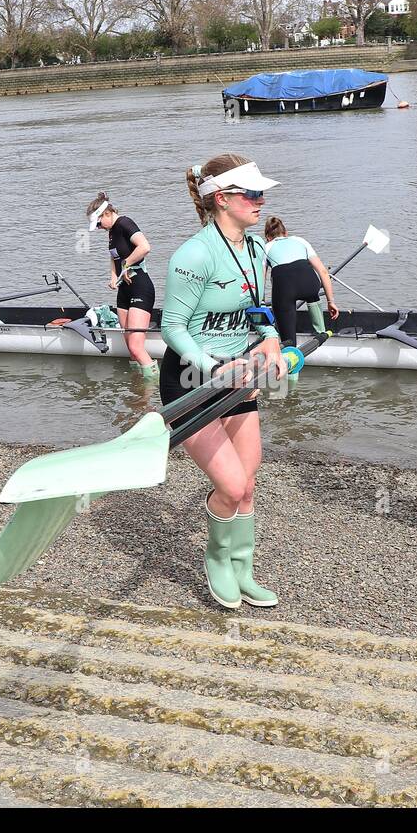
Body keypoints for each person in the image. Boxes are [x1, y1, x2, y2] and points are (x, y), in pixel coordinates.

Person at [162, 155, 286, 609]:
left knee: (248, 483)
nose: (261, 200)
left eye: (260, 192)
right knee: (231, 486)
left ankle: (244, 570)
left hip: (238, 377)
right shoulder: (193, 255)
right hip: (192, 380)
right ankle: (217, 560)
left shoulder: (255, 249)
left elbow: (256, 309)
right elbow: (172, 327)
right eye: (251, 193)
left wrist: (271, 338)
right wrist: (211, 367)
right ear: (222, 198)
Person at [87, 193, 157, 378]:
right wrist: (113, 276)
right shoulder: (111, 231)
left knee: (136, 345)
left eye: (99, 223)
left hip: (140, 286)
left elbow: (144, 247)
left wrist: (126, 265)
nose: (100, 228)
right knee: (130, 347)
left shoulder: (125, 223)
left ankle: (153, 388)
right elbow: (114, 255)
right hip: (124, 290)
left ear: (107, 214)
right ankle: (137, 388)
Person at [262, 217, 339, 365]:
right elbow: (323, 271)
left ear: (267, 237)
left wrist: (259, 306)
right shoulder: (300, 240)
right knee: (312, 295)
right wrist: (331, 302)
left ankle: (290, 357)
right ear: (286, 232)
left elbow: (261, 279)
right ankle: (321, 331)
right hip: (310, 285)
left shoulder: (266, 247)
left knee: (288, 341)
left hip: (285, 290)